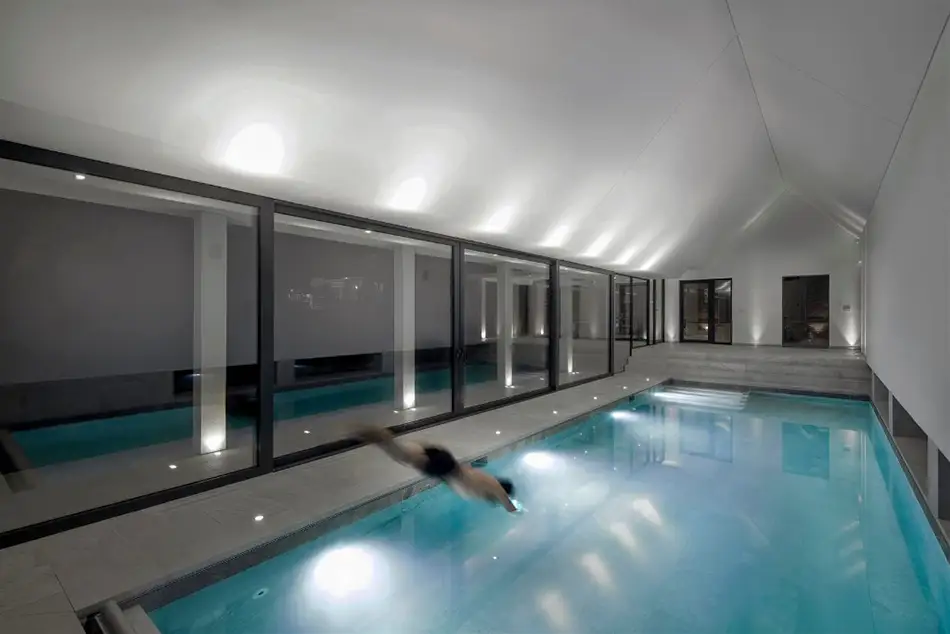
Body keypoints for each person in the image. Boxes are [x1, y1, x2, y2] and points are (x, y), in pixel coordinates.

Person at [357, 426, 518, 512]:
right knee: (401, 455)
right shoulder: (491, 485)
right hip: (444, 466)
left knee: (401, 456)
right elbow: (509, 506)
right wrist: (521, 510)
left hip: (444, 465)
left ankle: (380, 438)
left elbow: (458, 478)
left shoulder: (483, 486)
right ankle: (380, 436)